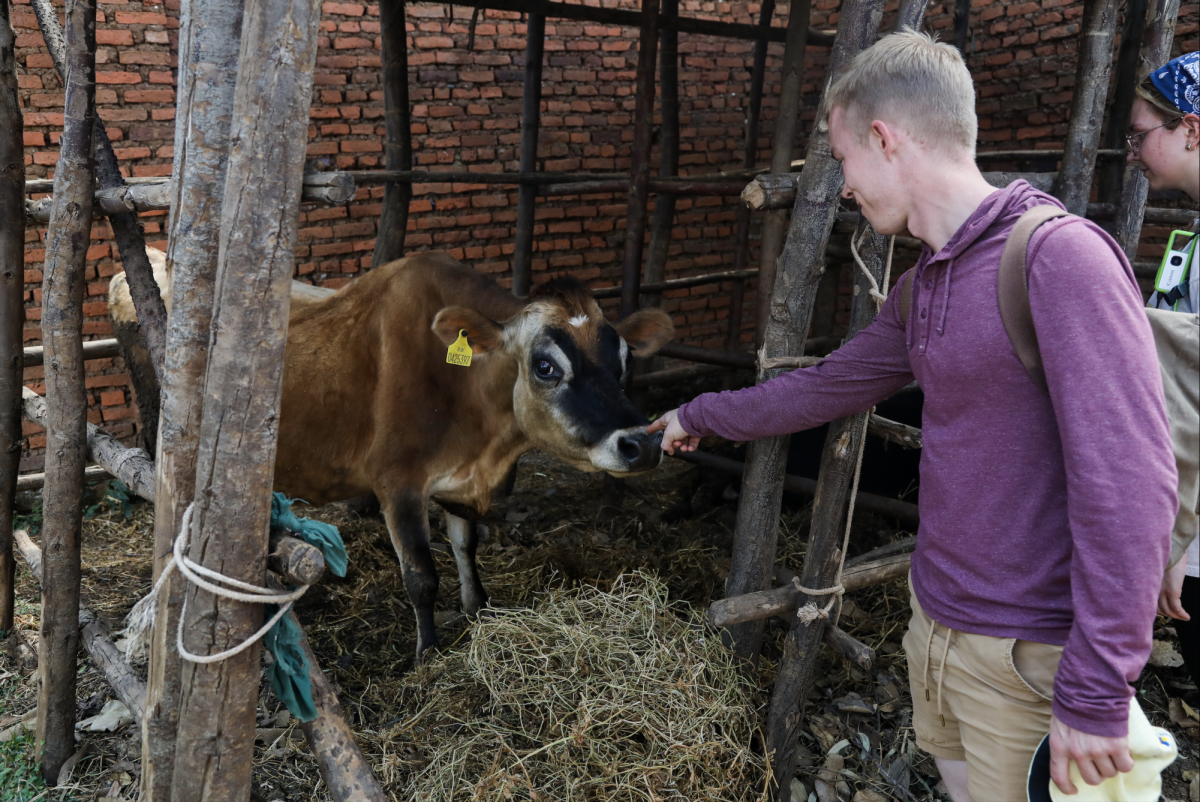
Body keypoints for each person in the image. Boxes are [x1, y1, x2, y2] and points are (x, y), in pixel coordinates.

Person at [647, 31, 1178, 802]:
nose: (844, 185)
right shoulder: (928, 282)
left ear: (885, 139)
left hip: (1029, 652)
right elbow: (827, 385)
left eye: (843, 159)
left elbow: (1132, 484)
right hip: (938, 623)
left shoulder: (1060, 260)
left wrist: (1097, 690)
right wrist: (699, 412)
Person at [1138, 51, 1200, 695]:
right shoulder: (1193, 233)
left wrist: (1179, 541)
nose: (1133, 151)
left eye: (1141, 134)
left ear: (1191, 129)